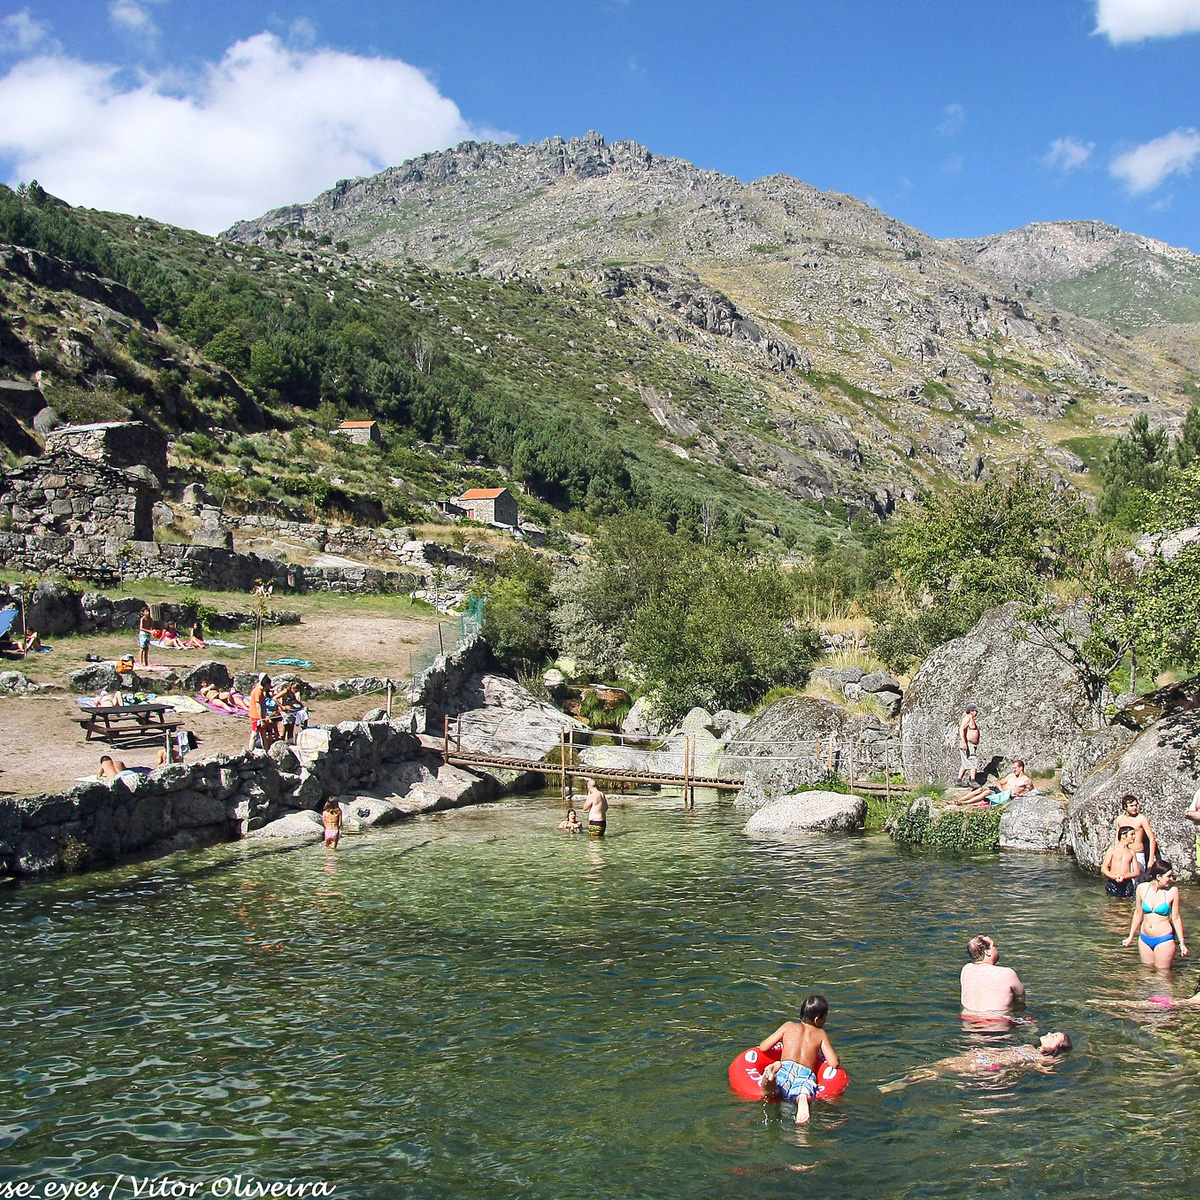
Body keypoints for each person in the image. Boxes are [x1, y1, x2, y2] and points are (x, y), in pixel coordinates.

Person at [879, 1032, 1071, 1093]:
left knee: (937, 1072)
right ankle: (898, 1082)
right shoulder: (1031, 1047)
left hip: (985, 1066)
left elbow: (1023, 1071)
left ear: (1057, 1048)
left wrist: (997, 1077)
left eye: (1055, 1036)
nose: (1049, 1034)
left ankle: (893, 1087)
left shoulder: (1042, 1059)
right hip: (981, 1057)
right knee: (936, 1066)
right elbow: (1006, 1052)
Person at [757, 995, 840, 1125]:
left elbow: (763, 1047)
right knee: (803, 1089)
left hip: (785, 1066)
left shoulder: (788, 1026)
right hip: (805, 1072)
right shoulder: (820, 1034)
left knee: (778, 1090)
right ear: (818, 1020)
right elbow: (834, 1063)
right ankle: (802, 1099)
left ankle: (772, 1082)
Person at [1124, 860, 1189, 968]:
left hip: (1164, 939)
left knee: (1162, 977)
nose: (1172, 879)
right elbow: (1138, 913)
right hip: (1144, 938)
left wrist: (1182, 943)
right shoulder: (1142, 888)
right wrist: (1131, 936)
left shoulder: (1172, 891)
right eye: (1169, 876)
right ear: (1159, 876)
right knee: (1146, 974)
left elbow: (1176, 918)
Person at [960, 935, 1026, 1014]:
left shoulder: (966, 969)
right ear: (987, 952)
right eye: (994, 946)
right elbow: (1020, 999)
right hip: (996, 1021)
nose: (996, 949)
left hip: (968, 1018)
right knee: (1033, 1023)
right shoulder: (1007, 973)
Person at [957, 759, 1034, 807]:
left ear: (1021, 768)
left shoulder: (1026, 780)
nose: (1014, 770)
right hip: (1000, 790)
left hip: (1005, 796)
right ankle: (959, 800)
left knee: (986, 792)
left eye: (1015, 768)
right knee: (980, 789)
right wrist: (1001, 790)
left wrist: (1021, 794)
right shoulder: (1011, 775)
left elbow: (1031, 791)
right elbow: (999, 783)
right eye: (1013, 768)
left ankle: (965, 803)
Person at [1114, 795, 1157, 876]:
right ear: (1125, 807)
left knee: (1138, 878)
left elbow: (1151, 838)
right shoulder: (1120, 819)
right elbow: (1117, 838)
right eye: (1131, 806)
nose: (1135, 808)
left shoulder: (1141, 818)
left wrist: (1151, 858)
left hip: (1138, 853)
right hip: (1124, 852)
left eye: (1136, 805)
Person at [1101, 825, 1142, 899]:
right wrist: (1113, 876)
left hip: (1127, 883)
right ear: (1123, 836)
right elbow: (1104, 869)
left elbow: (1137, 872)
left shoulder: (1131, 852)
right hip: (1113, 882)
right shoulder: (1112, 850)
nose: (1134, 837)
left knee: (1126, 905)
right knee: (1112, 905)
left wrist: (1125, 876)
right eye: (1132, 834)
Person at [247, 673, 272, 751]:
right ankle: (250, 751)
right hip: (256, 716)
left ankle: (266, 751)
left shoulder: (259, 690)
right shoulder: (258, 692)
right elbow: (258, 706)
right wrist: (261, 719)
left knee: (263, 734)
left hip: (260, 716)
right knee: (254, 734)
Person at [957, 706, 981, 785]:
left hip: (971, 744)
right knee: (973, 760)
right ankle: (973, 780)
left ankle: (959, 780)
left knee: (965, 762)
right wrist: (964, 742)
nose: (977, 713)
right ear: (971, 711)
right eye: (976, 711)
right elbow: (961, 729)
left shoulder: (971, 719)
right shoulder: (967, 718)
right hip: (968, 743)